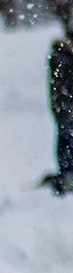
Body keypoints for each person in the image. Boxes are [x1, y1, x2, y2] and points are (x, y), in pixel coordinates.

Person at [51, 37, 73, 195]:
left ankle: (66, 175)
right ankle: (67, 176)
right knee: (67, 141)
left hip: (64, 112)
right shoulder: (62, 59)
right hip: (66, 113)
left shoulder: (61, 58)